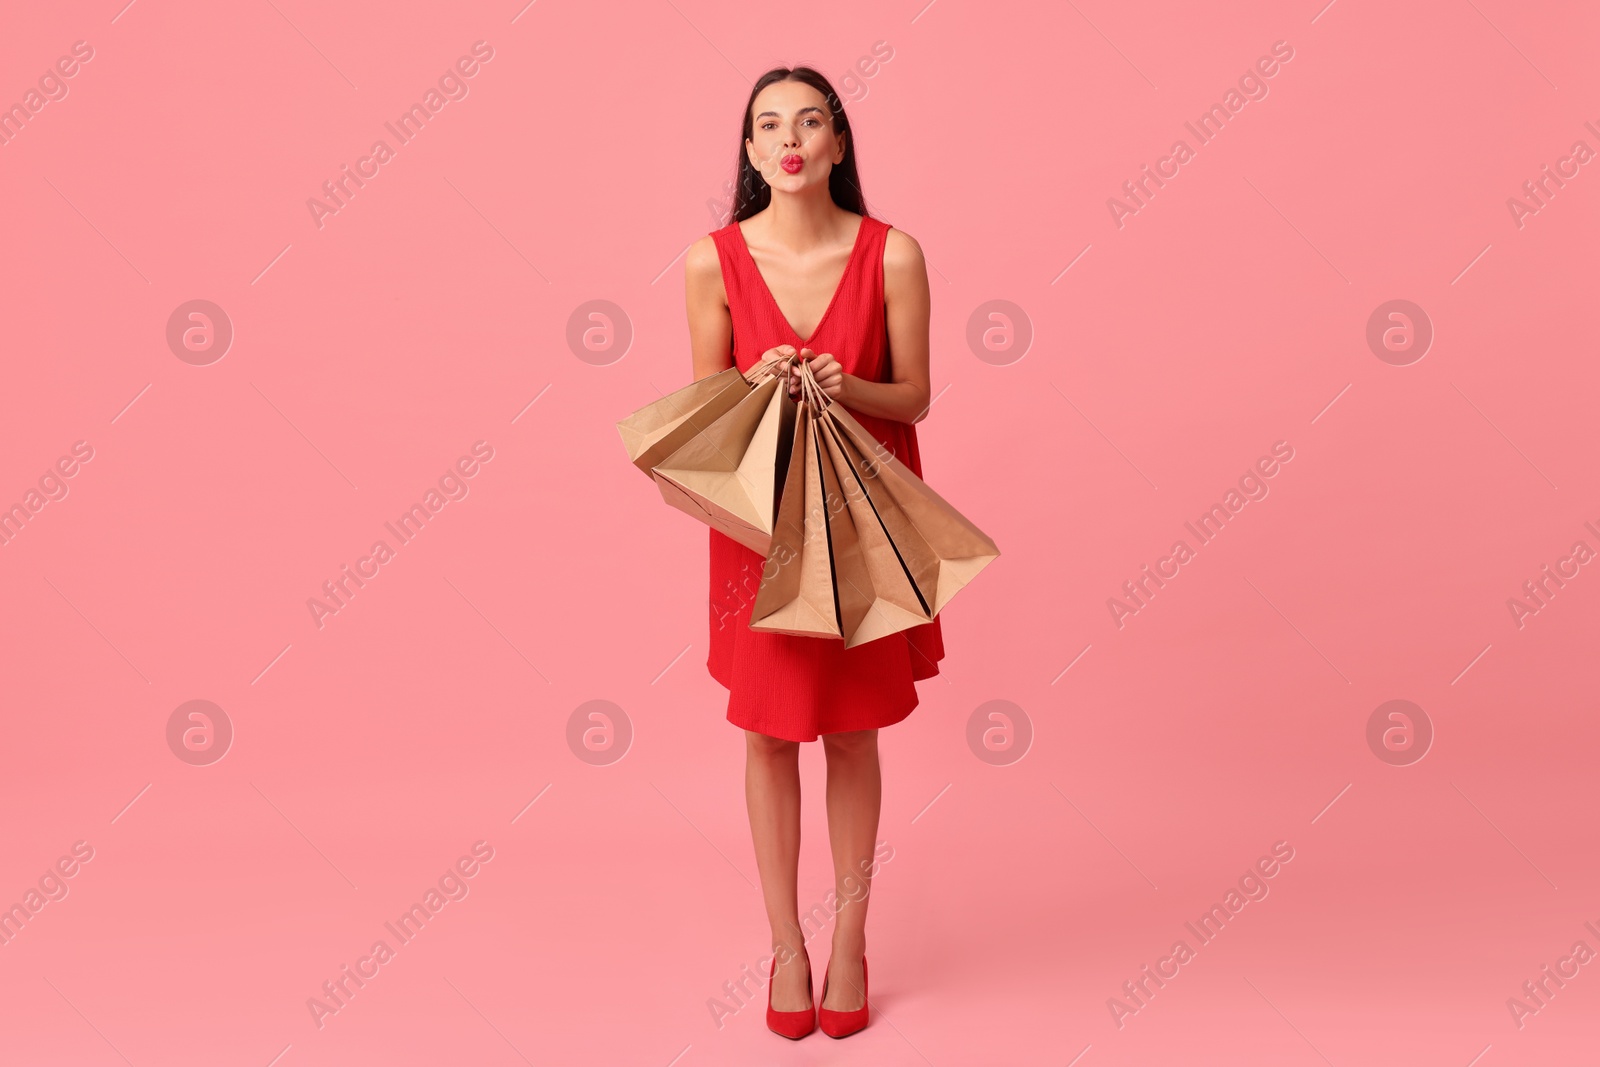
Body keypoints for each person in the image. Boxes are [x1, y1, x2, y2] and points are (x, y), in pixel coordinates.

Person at [683, 65, 945, 1040]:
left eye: (808, 122)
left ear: (838, 143)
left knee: (850, 730)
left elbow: (913, 395)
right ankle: (786, 944)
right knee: (766, 733)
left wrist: (852, 387)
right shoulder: (711, 260)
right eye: (767, 125)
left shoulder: (895, 255)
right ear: (750, 153)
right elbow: (701, 413)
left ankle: (849, 940)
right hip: (759, 524)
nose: (788, 139)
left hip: (863, 520)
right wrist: (755, 381)